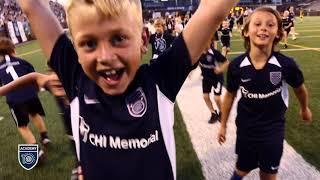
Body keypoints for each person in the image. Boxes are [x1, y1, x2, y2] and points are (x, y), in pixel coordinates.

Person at [17, 0, 238, 179]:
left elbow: (214, 8)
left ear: (143, 39)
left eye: (118, 38)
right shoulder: (75, 79)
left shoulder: (160, 80)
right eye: (89, 43)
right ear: (75, 48)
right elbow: (33, 6)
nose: (105, 57)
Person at [217, 7, 312, 180]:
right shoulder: (236, 66)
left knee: (268, 174)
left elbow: (300, 88)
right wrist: (223, 125)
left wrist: (304, 108)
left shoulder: (286, 65)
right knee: (241, 168)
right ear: (246, 31)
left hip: (273, 130)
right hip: (246, 129)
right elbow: (230, 95)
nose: (263, 28)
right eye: (258, 24)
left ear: (277, 33)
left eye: (270, 25)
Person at [0, 37, 51, 160]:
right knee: (34, 114)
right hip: (30, 95)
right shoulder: (23, 62)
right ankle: (45, 137)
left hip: (15, 99)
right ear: (12, 49)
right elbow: (35, 79)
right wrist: (36, 91)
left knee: (22, 126)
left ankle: (37, 152)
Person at [199, 37, 229, 124]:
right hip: (206, 78)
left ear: (210, 42)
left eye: (206, 41)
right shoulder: (198, 53)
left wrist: (220, 69)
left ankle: (222, 113)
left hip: (216, 78)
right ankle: (213, 113)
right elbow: (199, 63)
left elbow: (226, 62)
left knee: (217, 98)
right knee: (205, 96)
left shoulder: (214, 53)